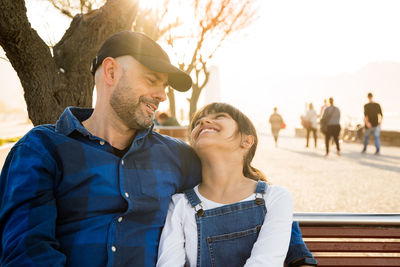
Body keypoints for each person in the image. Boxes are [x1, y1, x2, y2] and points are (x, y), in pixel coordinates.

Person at [0, 32, 315, 267]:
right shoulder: (42, 149)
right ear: (110, 73)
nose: (161, 95)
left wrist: (297, 252)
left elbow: (239, 186)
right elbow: (27, 252)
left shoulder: (177, 157)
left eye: (164, 86)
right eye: (152, 80)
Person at [157, 103, 316, 267]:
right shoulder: (179, 205)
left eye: (219, 116)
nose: (203, 121)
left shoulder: (275, 197)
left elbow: (264, 262)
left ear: (246, 141)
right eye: (198, 122)